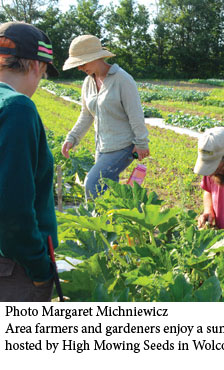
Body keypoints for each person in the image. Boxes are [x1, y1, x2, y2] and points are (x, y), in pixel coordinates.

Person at [0, 21, 59, 301]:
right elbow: (12, 208)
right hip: (12, 267)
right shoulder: (17, 108)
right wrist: (39, 269)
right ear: (36, 66)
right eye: (44, 73)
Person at [61, 35, 149, 199]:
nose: (80, 68)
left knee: (92, 183)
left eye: (83, 63)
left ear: (97, 58)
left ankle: (97, 222)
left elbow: (136, 114)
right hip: (101, 147)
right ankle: (111, 222)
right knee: (105, 191)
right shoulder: (88, 82)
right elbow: (86, 114)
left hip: (123, 146)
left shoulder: (122, 79)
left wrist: (142, 143)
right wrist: (72, 137)